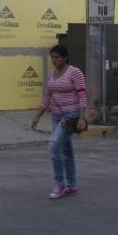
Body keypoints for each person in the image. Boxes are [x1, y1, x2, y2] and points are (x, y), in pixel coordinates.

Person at [30, 44, 88, 199]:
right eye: (52, 57)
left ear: (65, 57)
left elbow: (82, 96)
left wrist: (82, 117)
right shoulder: (51, 74)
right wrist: (37, 116)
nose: (54, 60)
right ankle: (72, 185)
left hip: (71, 115)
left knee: (54, 146)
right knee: (66, 151)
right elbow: (47, 97)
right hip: (56, 116)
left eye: (57, 57)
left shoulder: (75, 73)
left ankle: (60, 184)